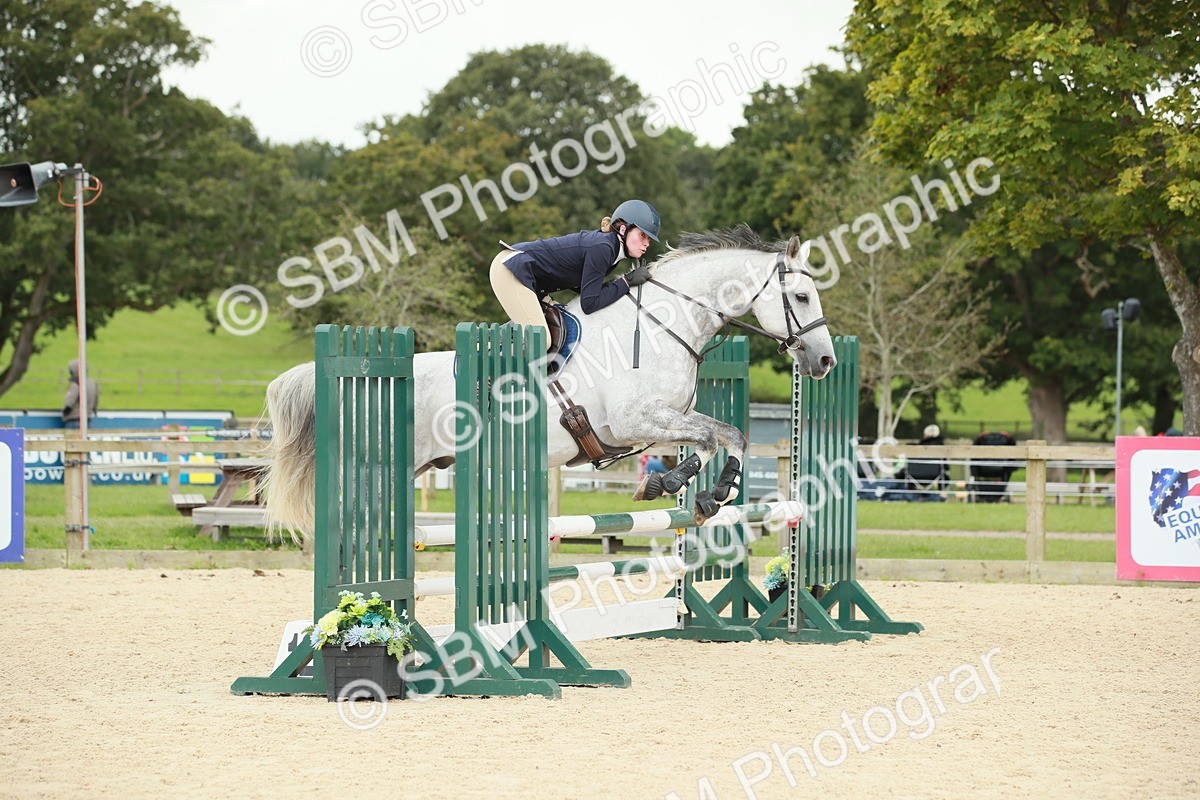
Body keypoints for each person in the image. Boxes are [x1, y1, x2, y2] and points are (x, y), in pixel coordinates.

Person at [489, 200, 661, 334]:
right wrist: (626, 282)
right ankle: (488, 363)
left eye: (649, 239)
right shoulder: (603, 248)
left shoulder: (611, 251)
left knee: (554, 329)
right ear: (623, 230)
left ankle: (491, 346)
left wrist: (624, 283)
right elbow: (589, 303)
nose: (647, 243)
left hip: (523, 275)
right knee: (541, 339)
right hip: (512, 268)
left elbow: (589, 291)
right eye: (642, 235)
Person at [62, 359, 99, 427]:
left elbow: (70, 401)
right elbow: (95, 400)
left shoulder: (76, 383)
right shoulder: (93, 383)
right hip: (87, 419)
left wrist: (64, 412)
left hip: (73, 419)